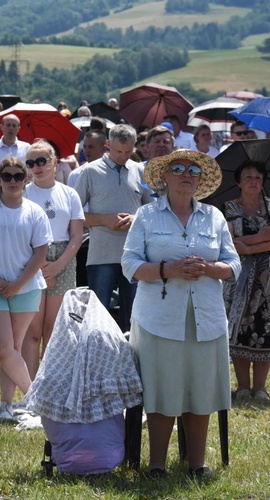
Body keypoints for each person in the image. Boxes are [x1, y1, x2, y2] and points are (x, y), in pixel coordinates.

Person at [122, 149, 239, 478]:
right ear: (165, 177)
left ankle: (197, 466)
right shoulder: (146, 216)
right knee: (162, 390)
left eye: (194, 169)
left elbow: (234, 266)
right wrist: (169, 268)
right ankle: (156, 465)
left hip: (206, 318)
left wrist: (210, 268)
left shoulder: (214, 217)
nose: (186, 173)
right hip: (159, 318)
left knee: (199, 390)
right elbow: (129, 265)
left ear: (201, 180)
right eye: (178, 168)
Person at [0, 157, 52, 415]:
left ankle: (7, 404)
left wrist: (17, 284)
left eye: (18, 176)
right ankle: (37, 400)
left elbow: (41, 252)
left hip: (25, 287)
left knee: (11, 350)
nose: (13, 181)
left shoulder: (35, 212)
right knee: (4, 348)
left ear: (26, 181)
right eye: (7, 176)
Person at [74, 124, 151, 332]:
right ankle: (97, 361)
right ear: (108, 145)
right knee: (97, 318)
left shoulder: (140, 171)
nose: (123, 156)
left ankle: (131, 362)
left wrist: (136, 218)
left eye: (128, 152)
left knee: (134, 319)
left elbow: (152, 211)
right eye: (118, 151)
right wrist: (103, 220)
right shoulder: (90, 171)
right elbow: (73, 215)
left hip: (134, 256)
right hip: (101, 256)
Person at [22, 141, 84, 379]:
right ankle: (31, 388)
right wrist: (38, 266)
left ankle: (49, 384)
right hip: (31, 258)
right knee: (33, 331)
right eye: (30, 163)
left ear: (54, 162)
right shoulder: (24, 192)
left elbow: (77, 236)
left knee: (53, 329)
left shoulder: (70, 193)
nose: (36, 167)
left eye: (42, 161)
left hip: (64, 259)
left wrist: (58, 266)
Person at [223, 161, 270, 401]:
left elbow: (241, 244)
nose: (253, 181)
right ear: (239, 182)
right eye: (248, 177)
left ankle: (260, 388)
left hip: (267, 281)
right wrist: (261, 239)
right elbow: (228, 243)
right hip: (237, 278)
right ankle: (242, 386)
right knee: (239, 329)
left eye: (258, 177)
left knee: (265, 329)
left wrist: (248, 245)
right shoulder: (228, 209)